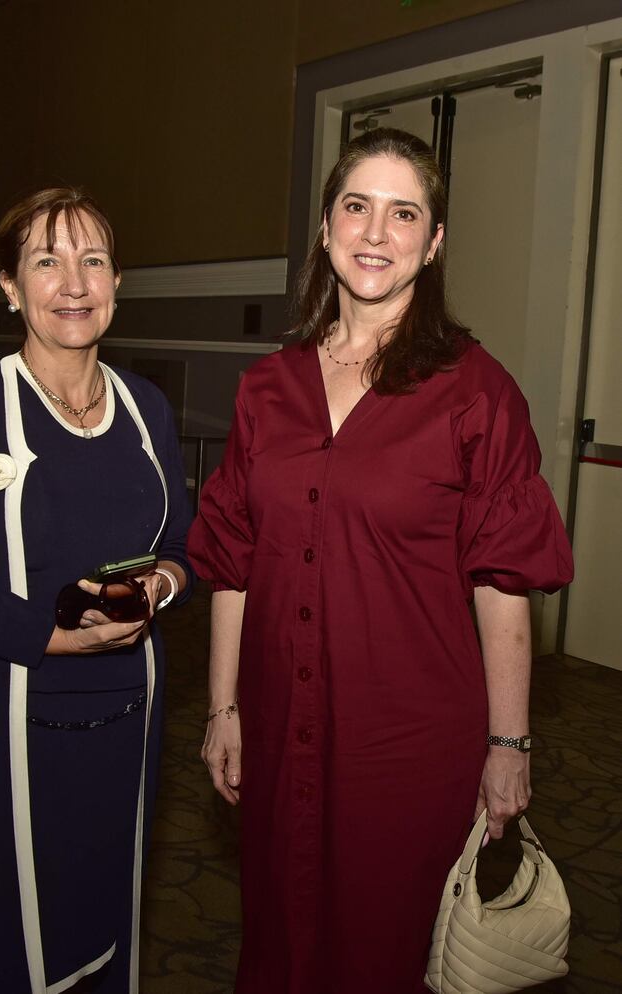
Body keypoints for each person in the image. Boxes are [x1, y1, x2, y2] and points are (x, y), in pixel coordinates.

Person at [186, 129, 573, 994]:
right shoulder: (266, 390)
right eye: (357, 206)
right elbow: (233, 562)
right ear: (325, 228)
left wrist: (507, 740)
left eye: (405, 213)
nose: (375, 231)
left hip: (408, 742)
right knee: (281, 938)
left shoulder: (477, 392)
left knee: (381, 951)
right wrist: (223, 707)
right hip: (282, 726)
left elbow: (503, 582)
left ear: (433, 243)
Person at [0, 188, 193, 994]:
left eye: (92, 261)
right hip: (8, 730)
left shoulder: (146, 407)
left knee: (105, 930)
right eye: (46, 262)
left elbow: (186, 548)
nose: (74, 282)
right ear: (12, 288)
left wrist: (161, 582)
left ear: (118, 283)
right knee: (11, 948)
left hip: (126, 726)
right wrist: (54, 637)